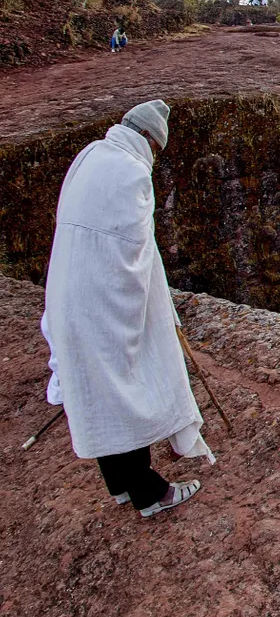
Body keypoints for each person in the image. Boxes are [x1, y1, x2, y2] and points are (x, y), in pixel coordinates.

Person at [43, 101, 212, 518]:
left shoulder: (89, 156)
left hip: (66, 294)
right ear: (151, 140)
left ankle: (119, 484)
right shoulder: (133, 172)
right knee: (124, 387)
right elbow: (136, 253)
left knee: (97, 391)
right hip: (103, 303)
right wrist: (153, 314)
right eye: (157, 150)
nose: (155, 158)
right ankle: (150, 494)